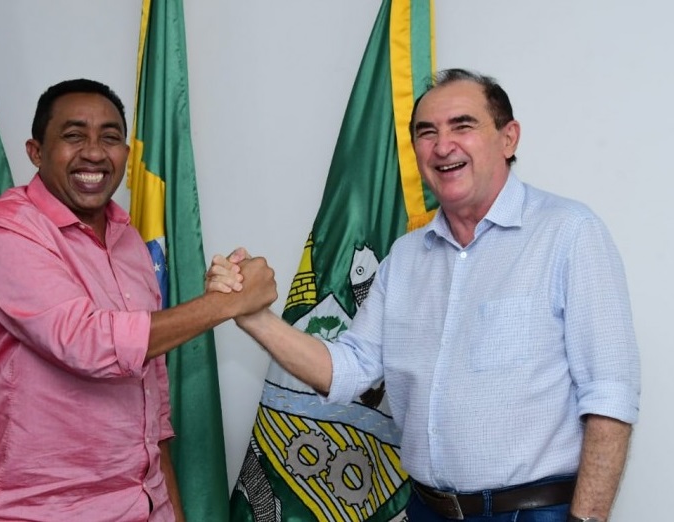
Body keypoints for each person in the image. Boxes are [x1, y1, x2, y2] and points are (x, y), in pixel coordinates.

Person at [209, 69, 640, 522]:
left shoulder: (569, 233)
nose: (442, 145)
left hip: (530, 513)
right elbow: (348, 370)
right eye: (426, 132)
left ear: (508, 138)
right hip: (426, 509)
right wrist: (253, 315)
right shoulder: (405, 256)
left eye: (462, 125)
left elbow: (609, 396)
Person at [0, 78, 277, 522]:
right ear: (36, 152)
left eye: (110, 138)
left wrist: (170, 512)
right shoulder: (6, 230)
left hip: (141, 505)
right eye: (74, 136)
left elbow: (151, 400)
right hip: (39, 510)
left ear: (126, 155)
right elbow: (86, 342)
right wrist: (227, 303)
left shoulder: (129, 241)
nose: (94, 152)